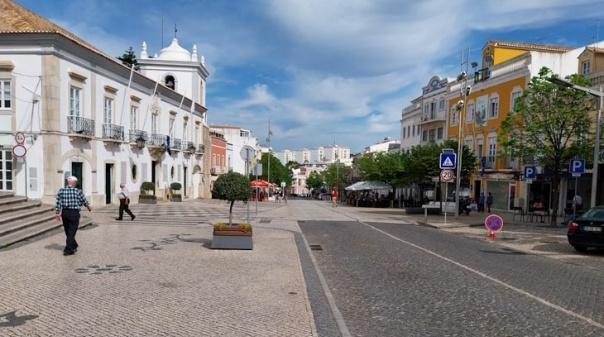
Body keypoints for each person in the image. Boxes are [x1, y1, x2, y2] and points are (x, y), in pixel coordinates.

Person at [55, 176, 91, 256]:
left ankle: (73, 245)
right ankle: (68, 250)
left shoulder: (61, 191)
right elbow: (84, 200)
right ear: (74, 182)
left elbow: (58, 202)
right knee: (71, 231)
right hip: (74, 213)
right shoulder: (78, 191)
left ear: (67, 182)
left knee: (68, 230)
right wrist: (88, 206)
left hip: (65, 212)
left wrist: (57, 212)